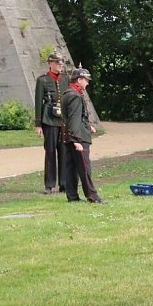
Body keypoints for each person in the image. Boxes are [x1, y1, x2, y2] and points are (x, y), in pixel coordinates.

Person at [61, 66, 103, 203]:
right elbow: (73, 119)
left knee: (71, 168)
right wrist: (76, 140)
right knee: (84, 168)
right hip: (77, 137)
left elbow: (76, 117)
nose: (88, 83)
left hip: (69, 135)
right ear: (79, 80)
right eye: (86, 80)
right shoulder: (74, 96)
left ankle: (72, 196)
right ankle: (92, 196)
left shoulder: (68, 93)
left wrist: (87, 126)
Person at [34, 51, 69, 194]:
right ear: (50, 64)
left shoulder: (66, 79)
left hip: (64, 120)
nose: (60, 65)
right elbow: (38, 102)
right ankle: (49, 184)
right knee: (50, 152)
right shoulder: (42, 80)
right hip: (49, 119)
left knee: (64, 151)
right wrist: (38, 124)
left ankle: (64, 183)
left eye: (61, 63)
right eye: (57, 63)